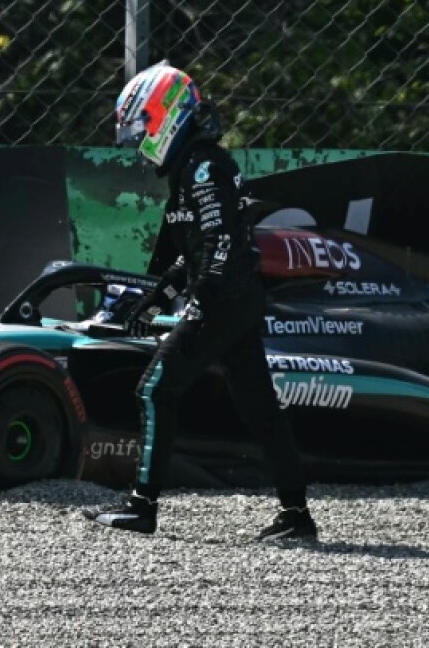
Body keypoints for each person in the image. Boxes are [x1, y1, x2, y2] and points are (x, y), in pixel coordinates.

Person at [84, 63, 318, 542]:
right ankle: (298, 516)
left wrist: (201, 305)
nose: (143, 148)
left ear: (165, 118)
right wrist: (155, 300)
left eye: (143, 133)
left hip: (226, 299)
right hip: (239, 298)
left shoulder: (205, 168)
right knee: (260, 409)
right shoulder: (196, 167)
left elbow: (220, 246)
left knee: (154, 390)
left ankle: (141, 508)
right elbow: (192, 258)